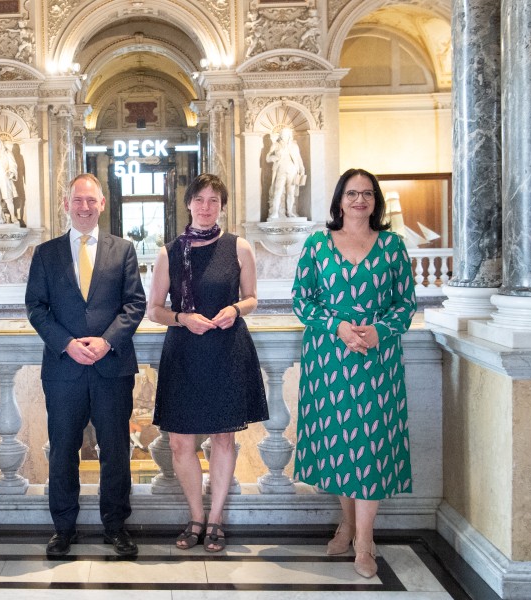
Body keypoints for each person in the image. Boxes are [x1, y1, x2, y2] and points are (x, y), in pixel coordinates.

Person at [291, 168, 417, 578]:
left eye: (366, 194)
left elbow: (406, 303)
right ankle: (347, 523)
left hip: (377, 362)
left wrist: (381, 330)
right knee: (342, 447)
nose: (359, 200)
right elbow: (302, 301)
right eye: (351, 193)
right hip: (330, 359)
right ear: (339, 200)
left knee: (372, 448)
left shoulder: (394, 246)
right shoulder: (317, 245)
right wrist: (338, 327)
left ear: (375, 201)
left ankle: (365, 543)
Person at [25, 173, 146, 557]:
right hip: (64, 369)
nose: (84, 207)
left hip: (112, 367)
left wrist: (107, 341)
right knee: (63, 450)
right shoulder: (46, 254)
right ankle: (63, 528)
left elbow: (135, 304)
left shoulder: (123, 249)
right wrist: (67, 344)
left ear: (102, 205)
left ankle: (116, 526)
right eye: (78, 200)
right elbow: (36, 307)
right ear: (66, 204)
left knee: (115, 449)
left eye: (91, 201)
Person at [148, 173, 268, 553]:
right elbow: (154, 310)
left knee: (223, 437)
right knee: (181, 443)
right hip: (184, 352)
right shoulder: (170, 251)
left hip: (226, 349)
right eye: (199, 199)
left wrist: (235, 308)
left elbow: (251, 298)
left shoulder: (239, 247)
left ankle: (215, 519)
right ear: (188, 204)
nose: (205, 207)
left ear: (222, 205)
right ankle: (195, 516)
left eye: (213, 200)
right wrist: (183, 317)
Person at [266, 128, 305, 219]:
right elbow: (267, 157)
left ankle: (289, 212)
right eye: (282, 134)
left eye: (285, 134)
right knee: (277, 191)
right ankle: (275, 212)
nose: (284, 136)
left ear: (289, 135)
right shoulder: (276, 145)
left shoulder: (294, 146)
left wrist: (302, 168)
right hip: (281, 170)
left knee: (290, 192)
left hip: (292, 170)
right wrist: (274, 157)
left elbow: (298, 158)